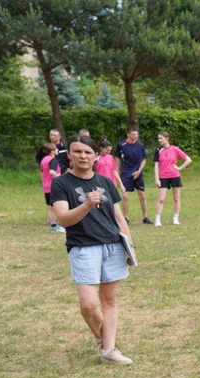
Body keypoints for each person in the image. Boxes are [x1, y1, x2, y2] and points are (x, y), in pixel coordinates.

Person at [50, 134, 134, 365]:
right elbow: (63, 219)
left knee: (110, 301)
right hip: (83, 248)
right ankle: (102, 338)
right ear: (69, 155)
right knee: (88, 305)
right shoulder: (61, 183)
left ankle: (109, 349)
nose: (83, 156)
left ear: (96, 156)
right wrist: (86, 204)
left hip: (112, 246)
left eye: (88, 152)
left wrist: (130, 246)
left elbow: (119, 218)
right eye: (77, 152)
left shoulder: (105, 182)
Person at [153, 131, 191, 226]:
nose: (159, 140)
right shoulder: (158, 150)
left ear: (167, 138)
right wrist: (157, 179)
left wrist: (180, 168)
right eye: (158, 138)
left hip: (175, 176)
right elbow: (156, 166)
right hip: (163, 176)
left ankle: (175, 218)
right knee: (161, 198)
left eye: (161, 138)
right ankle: (157, 219)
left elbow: (188, 159)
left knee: (177, 198)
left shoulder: (175, 149)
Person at [114, 126, 150, 224]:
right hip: (126, 173)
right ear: (128, 134)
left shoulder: (140, 146)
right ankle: (125, 218)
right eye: (133, 134)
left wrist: (139, 171)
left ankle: (145, 217)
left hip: (138, 173)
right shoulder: (121, 145)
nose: (135, 136)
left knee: (142, 194)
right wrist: (116, 171)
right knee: (125, 196)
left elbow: (144, 159)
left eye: (137, 135)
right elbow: (117, 159)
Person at [39, 143, 63, 233]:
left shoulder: (44, 160)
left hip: (46, 186)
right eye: (56, 149)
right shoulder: (52, 160)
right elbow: (52, 172)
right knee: (55, 207)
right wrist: (60, 179)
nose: (57, 150)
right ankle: (55, 226)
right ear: (52, 151)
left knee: (50, 207)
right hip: (52, 186)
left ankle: (54, 225)